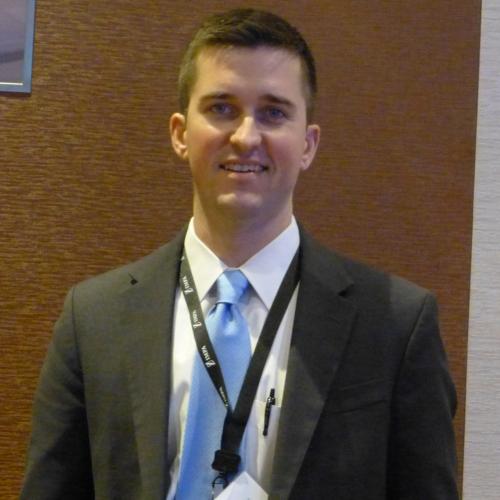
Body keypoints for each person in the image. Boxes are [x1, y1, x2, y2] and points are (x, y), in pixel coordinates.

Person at [21, 8, 459, 500]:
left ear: (308, 143)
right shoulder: (93, 320)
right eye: (221, 108)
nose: (246, 137)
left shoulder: (396, 325)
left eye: (274, 113)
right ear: (180, 134)